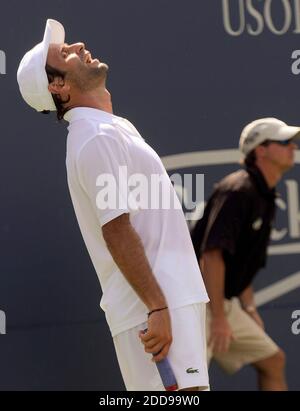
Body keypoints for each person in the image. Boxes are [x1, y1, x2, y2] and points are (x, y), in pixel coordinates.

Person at [17, 19, 209, 391]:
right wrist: (156, 307)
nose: (79, 46)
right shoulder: (95, 138)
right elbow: (116, 229)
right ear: (58, 85)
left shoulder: (108, 129)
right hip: (151, 309)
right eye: (66, 53)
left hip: (168, 302)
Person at [192, 117, 300, 391]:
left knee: (273, 360)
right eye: (285, 142)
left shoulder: (266, 195)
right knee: (191, 385)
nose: (293, 147)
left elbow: (242, 262)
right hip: (194, 304)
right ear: (261, 150)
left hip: (219, 302)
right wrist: (217, 318)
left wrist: (249, 307)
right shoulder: (238, 191)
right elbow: (212, 256)